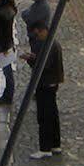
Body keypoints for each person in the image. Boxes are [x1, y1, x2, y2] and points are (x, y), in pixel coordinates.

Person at [25, 21, 64, 157]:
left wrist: (31, 60)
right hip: (52, 83)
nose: (38, 36)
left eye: (39, 33)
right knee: (52, 115)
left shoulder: (48, 46)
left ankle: (45, 148)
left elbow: (43, 66)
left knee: (44, 116)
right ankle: (55, 145)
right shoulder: (54, 43)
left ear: (44, 31)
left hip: (45, 84)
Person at [0, 0, 19, 107]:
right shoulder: (10, 9)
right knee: (8, 72)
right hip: (8, 43)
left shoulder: (1, 12)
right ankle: (7, 95)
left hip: (2, 45)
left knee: (6, 72)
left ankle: (6, 95)